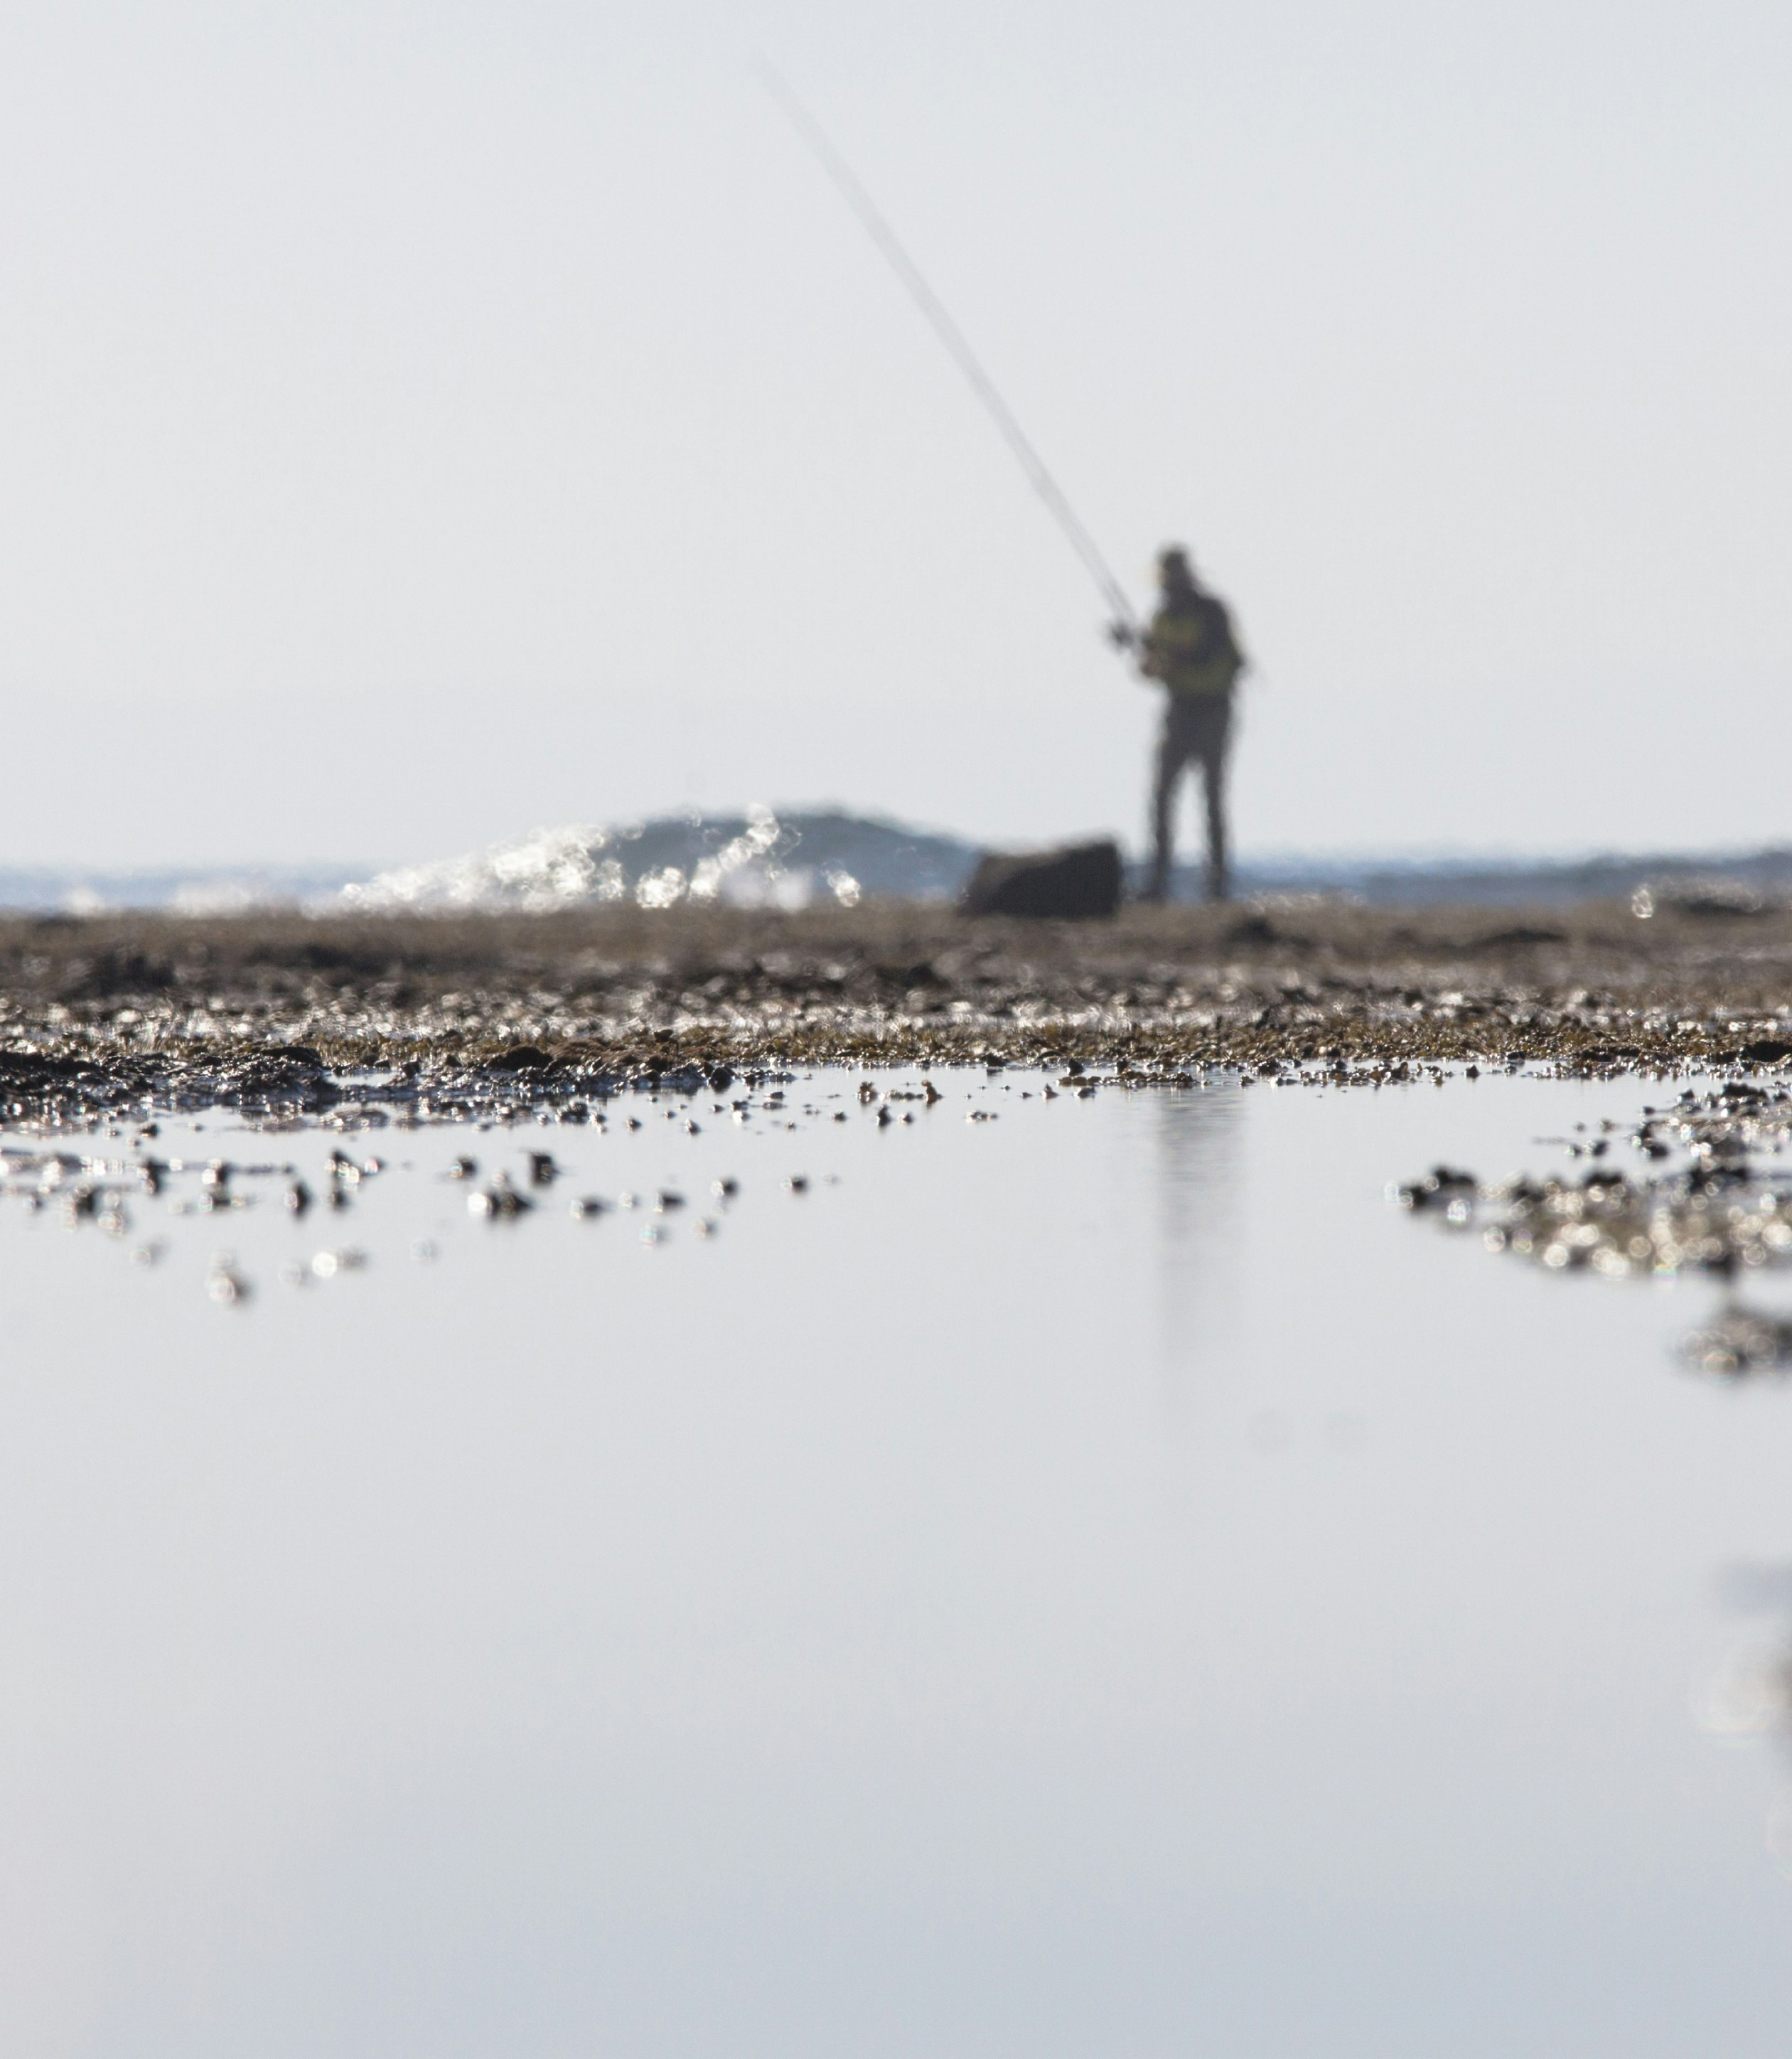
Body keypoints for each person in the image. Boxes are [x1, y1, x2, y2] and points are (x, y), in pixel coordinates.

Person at [1121, 545, 1247, 902]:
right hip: (1178, 710)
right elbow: (1152, 671)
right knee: (1162, 797)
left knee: (1212, 798)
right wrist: (1139, 651)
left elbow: (1207, 654)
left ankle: (1217, 887)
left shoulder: (1212, 611)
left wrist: (1161, 653)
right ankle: (1157, 885)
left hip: (1213, 710)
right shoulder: (1162, 617)